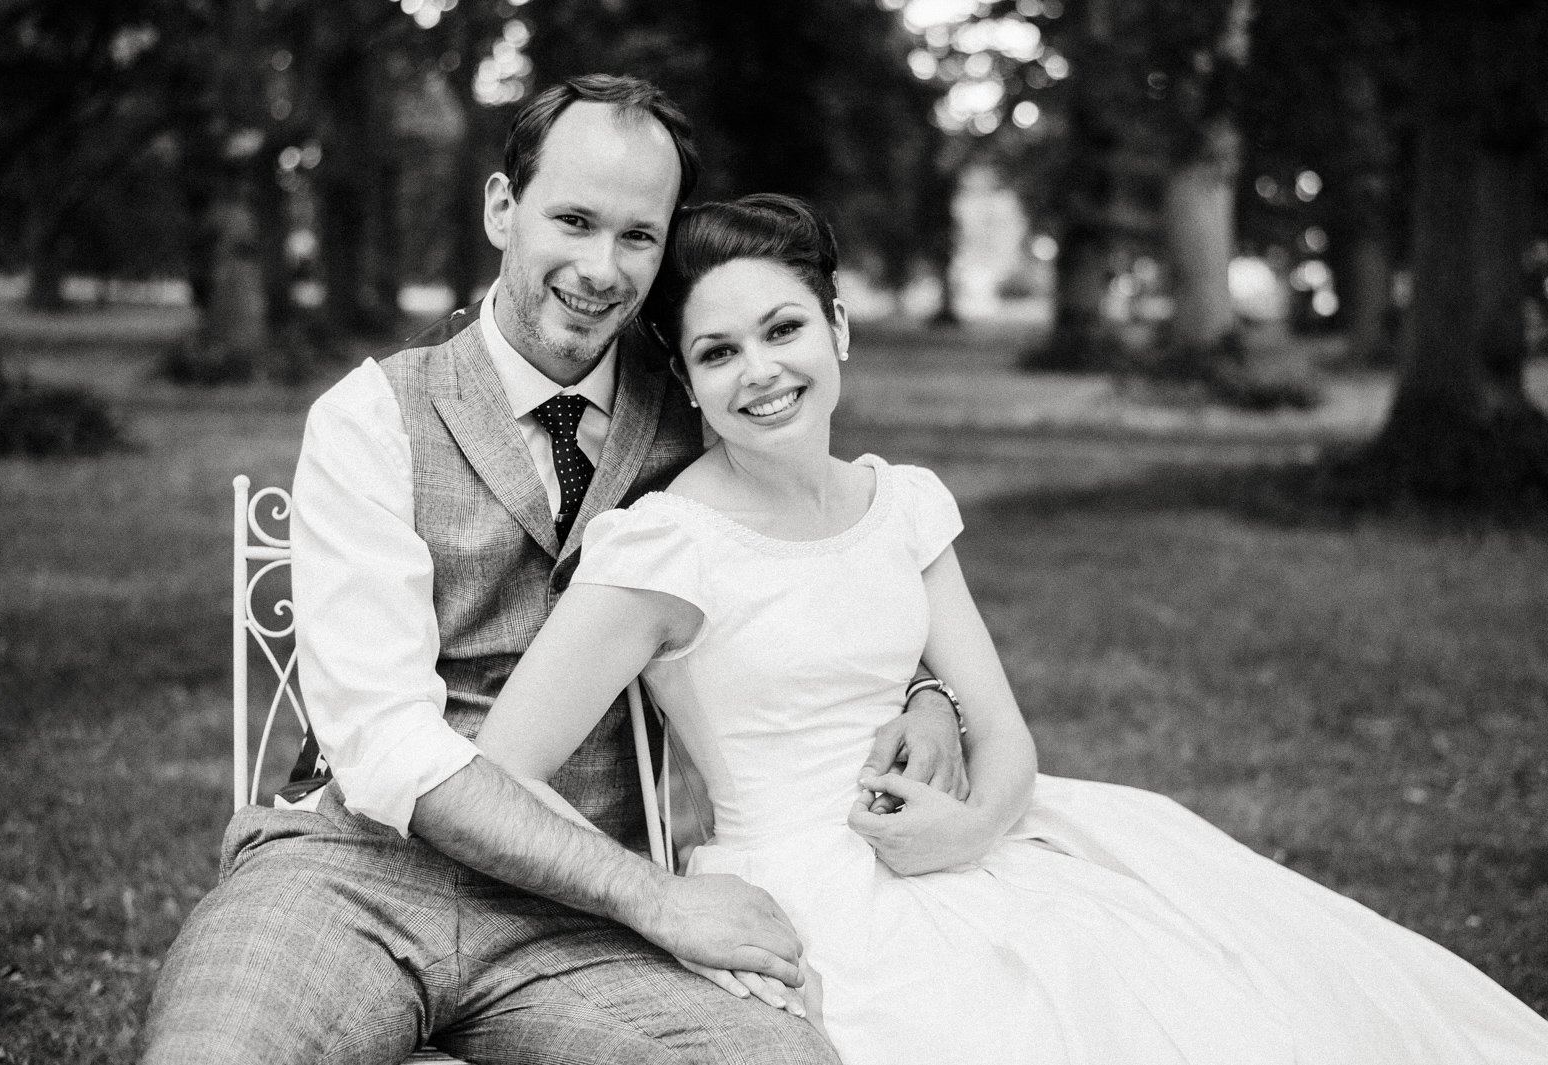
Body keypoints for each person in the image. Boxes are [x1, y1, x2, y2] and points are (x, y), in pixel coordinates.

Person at [472, 192, 1548, 1065]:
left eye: (784, 328)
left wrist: (976, 826)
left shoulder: (901, 505)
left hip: (970, 840)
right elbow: (502, 768)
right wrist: (659, 903)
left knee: (1224, 990)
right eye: (717, 353)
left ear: (837, 329)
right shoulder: (667, 547)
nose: (761, 371)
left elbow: (1006, 730)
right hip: (804, 889)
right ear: (693, 388)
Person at [142, 77, 968, 1065]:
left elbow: (819, 547)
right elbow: (389, 747)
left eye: (637, 236)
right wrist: (659, 900)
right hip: (356, 873)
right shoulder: (371, 417)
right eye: (571, 220)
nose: (598, 268)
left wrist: (924, 690)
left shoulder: (703, 406)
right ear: (503, 209)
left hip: (578, 929)